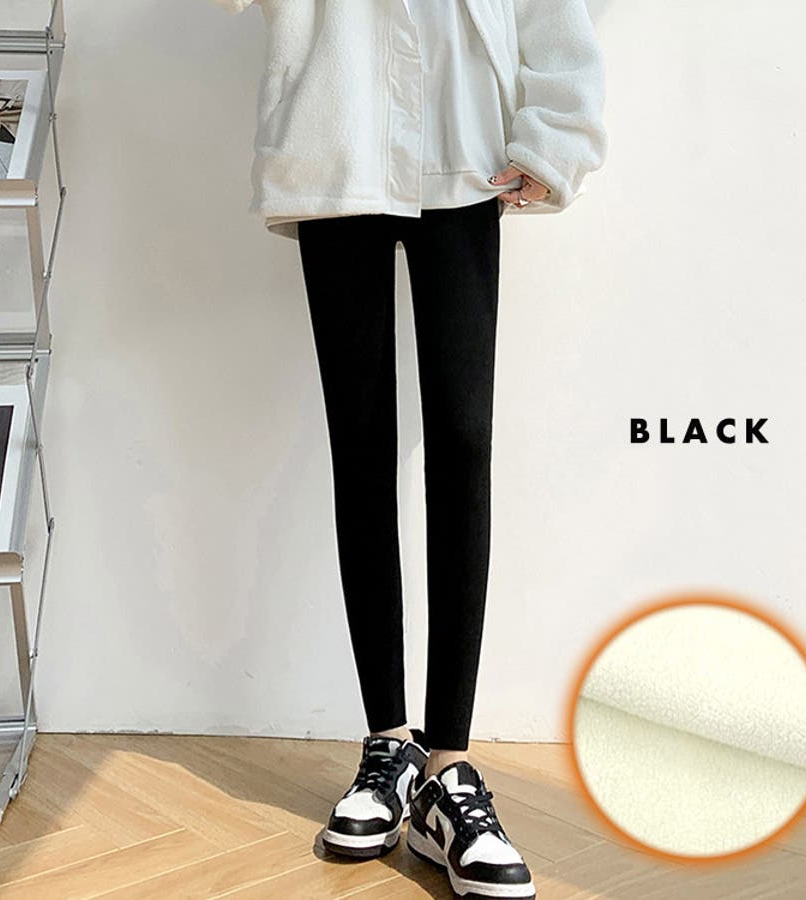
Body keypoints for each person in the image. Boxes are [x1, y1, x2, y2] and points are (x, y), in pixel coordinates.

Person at [215, 2, 608, 896]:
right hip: (336, 135)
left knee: (463, 446)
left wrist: (556, 134)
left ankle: (449, 767)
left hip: (466, 145)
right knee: (360, 444)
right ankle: (387, 744)